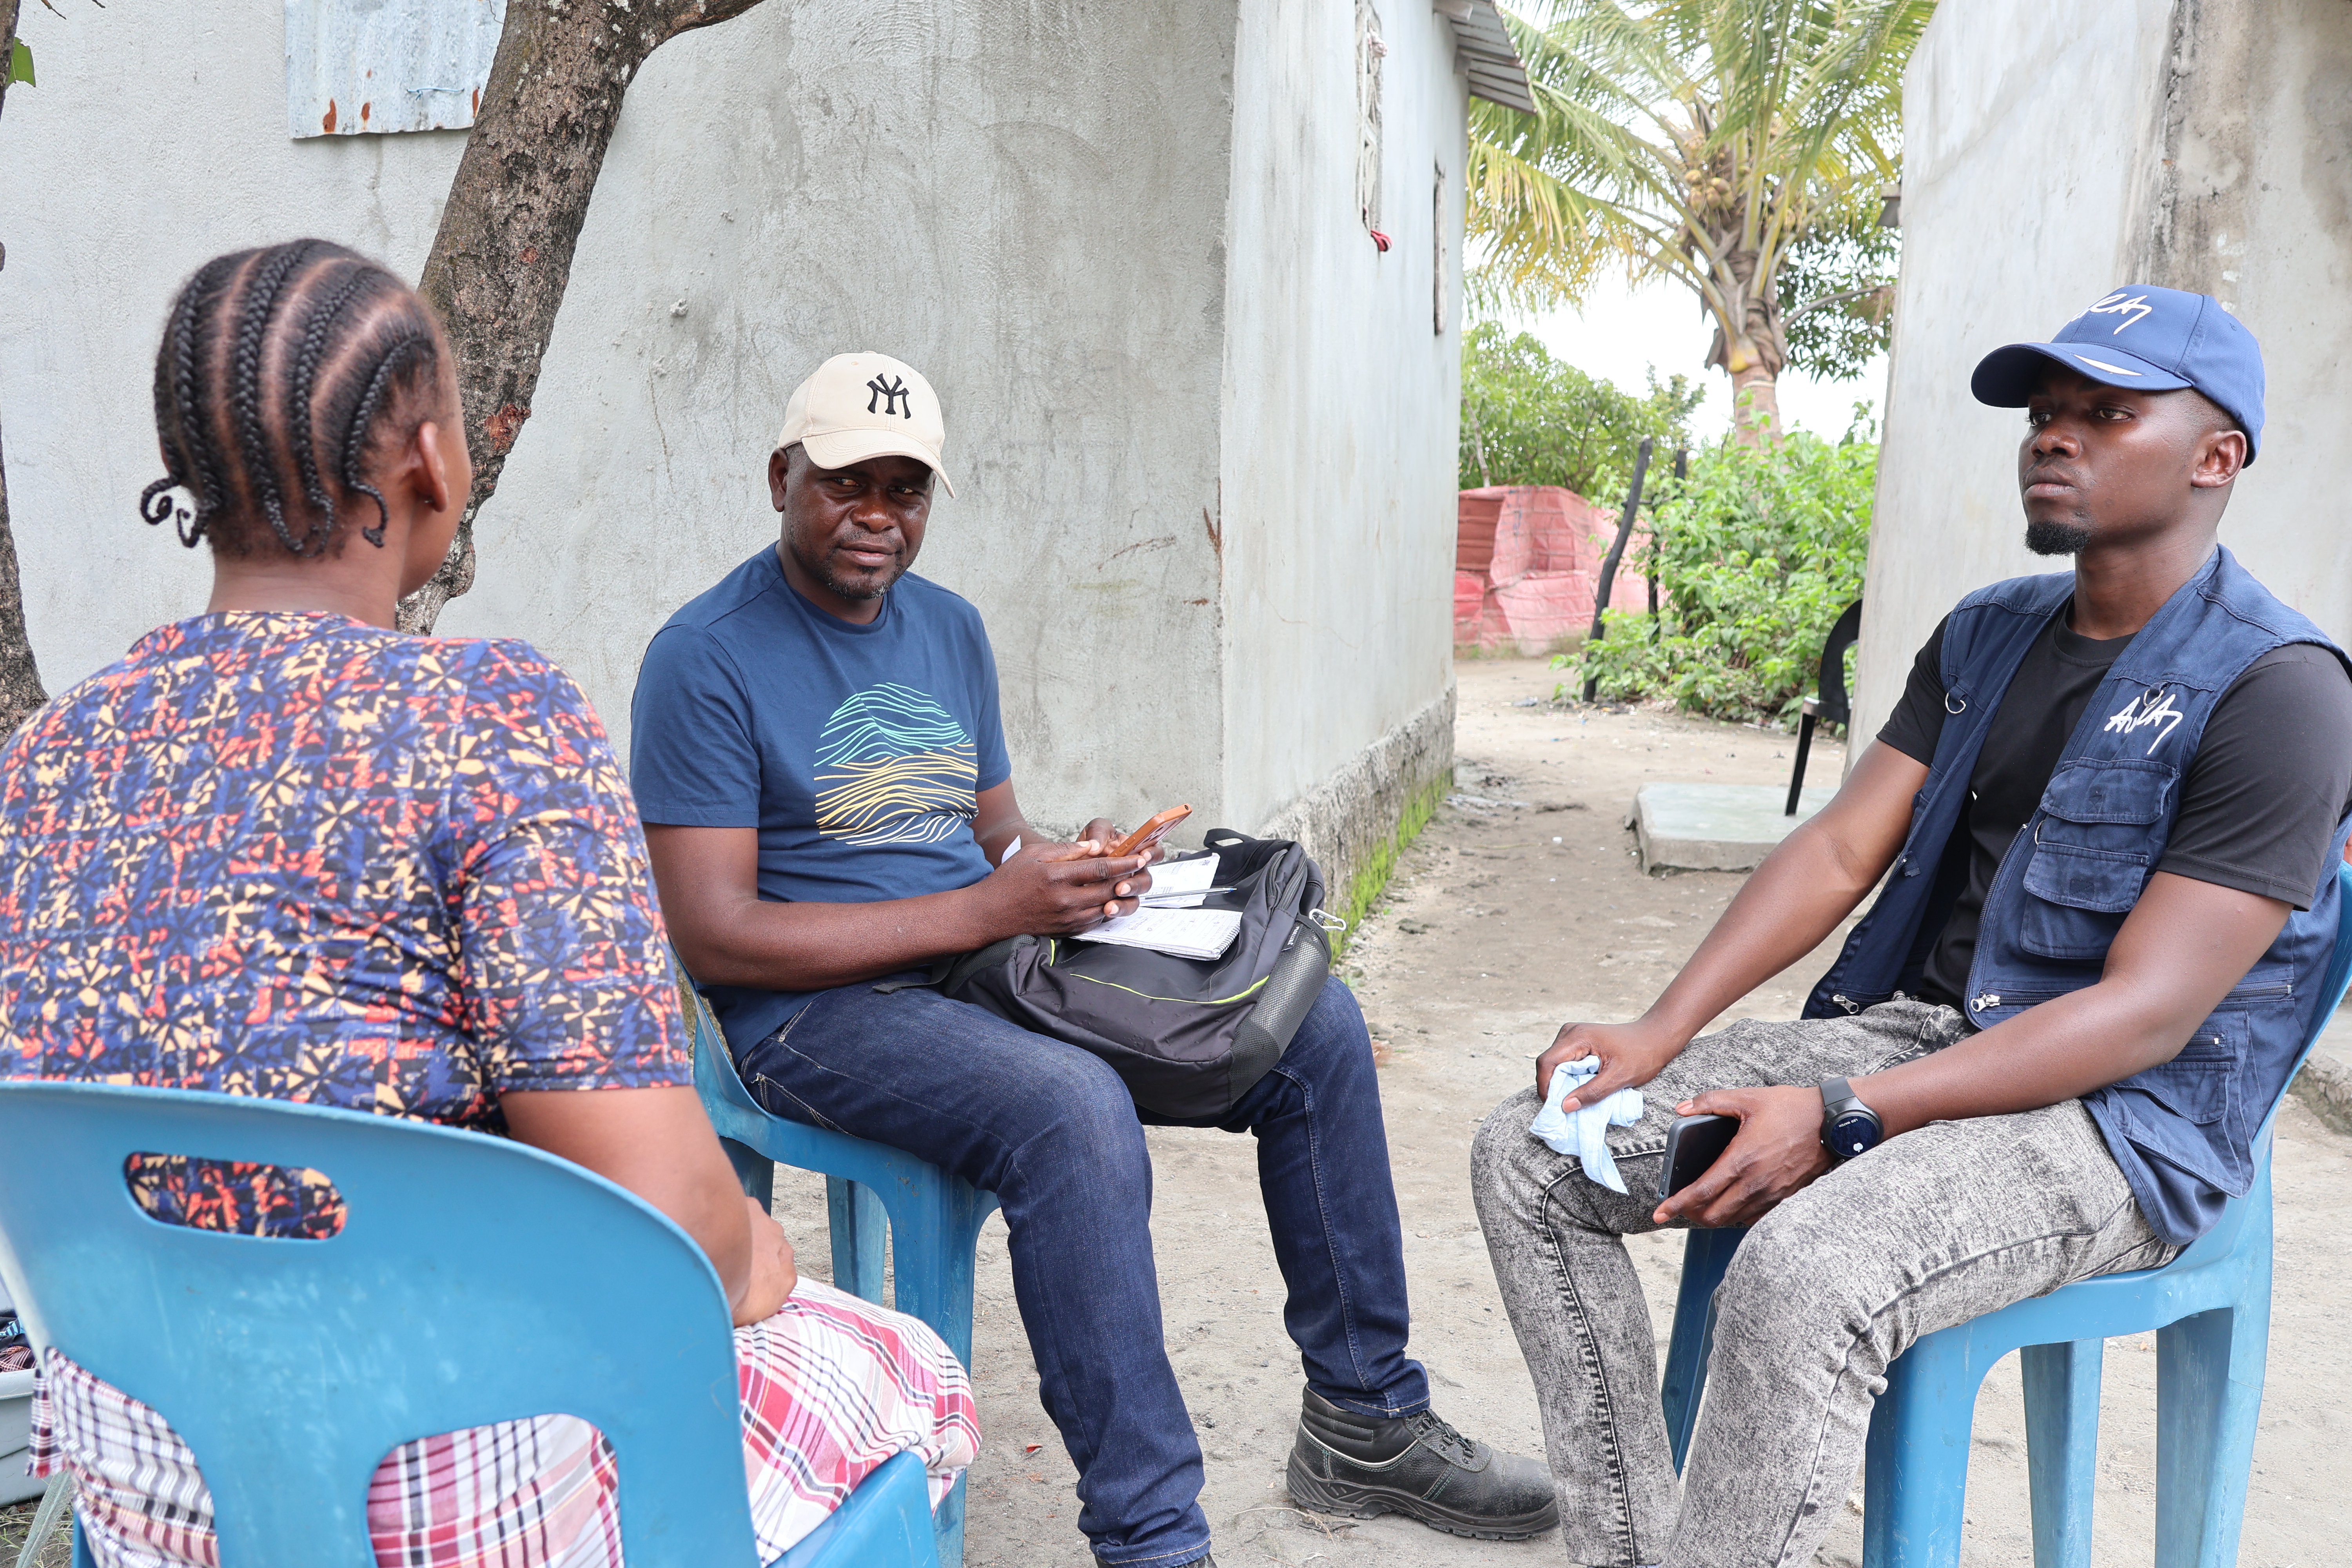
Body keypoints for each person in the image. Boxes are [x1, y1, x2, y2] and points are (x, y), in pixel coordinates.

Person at [0, 241, 978, 1568]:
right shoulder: (487, 720)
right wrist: (760, 1249)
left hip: (163, 1493)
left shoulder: (47, 759)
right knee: (905, 1367)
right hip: (451, 1496)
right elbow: (670, 1221)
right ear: (428, 462)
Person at [1470, 284, 2352, 1567]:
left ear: (2220, 457)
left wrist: (1844, 1118)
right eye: (2048, 412)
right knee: (1539, 1152)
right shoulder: (1989, 632)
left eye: (2108, 413)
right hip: (1910, 1038)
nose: (2056, 436)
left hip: (2118, 1119)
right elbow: (1838, 848)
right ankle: (1638, 1552)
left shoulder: (2281, 691)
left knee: (1810, 1266)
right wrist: (1659, 1032)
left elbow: (2148, 1012)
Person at [630, 351, 1555, 1567]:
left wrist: (1072, 869)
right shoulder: (706, 655)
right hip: (806, 1015)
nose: (877, 515)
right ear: (781, 477)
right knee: (1072, 1109)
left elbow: (994, 834)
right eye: (847, 482)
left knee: (1310, 1026)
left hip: (980, 968)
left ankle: (1364, 1418)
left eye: (906, 490)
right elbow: (713, 932)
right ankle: (1152, 1536)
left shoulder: (949, 630)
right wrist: (986, 909)